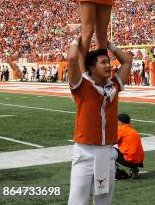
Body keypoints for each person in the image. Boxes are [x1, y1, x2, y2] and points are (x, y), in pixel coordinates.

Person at [66, 36, 132, 205]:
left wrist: (108, 43)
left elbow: (126, 62)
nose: (109, 65)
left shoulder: (113, 86)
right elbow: (72, 58)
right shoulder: (81, 87)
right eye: (103, 62)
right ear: (92, 67)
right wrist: (76, 40)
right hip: (85, 152)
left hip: (107, 152)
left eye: (108, 61)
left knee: (104, 202)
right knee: (77, 202)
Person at [115, 114, 145, 179]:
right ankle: (134, 169)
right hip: (139, 161)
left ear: (121, 122)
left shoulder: (121, 129)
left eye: (117, 121)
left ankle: (116, 171)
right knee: (129, 151)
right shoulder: (133, 131)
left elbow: (110, 142)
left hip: (129, 160)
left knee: (109, 150)